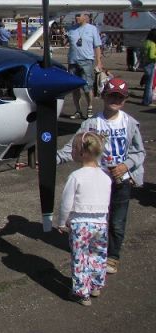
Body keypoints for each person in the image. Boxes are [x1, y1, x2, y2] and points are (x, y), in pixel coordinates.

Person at [57, 78, 145, 275]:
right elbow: (73, 146)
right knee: (99, 219)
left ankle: (113, 256)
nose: (115, 99)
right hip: (98, 182)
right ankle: (96, 252)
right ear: (103, 96)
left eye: (119, 97)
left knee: (117, 221)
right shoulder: (91, 123)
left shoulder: (130, 123)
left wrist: (126, 166)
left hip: (121, 181)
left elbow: (139, 152)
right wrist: (51, 159)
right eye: (111, 95)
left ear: (125, 100)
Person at [57, 131, 111, 306]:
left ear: (82, 152)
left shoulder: (76, 176)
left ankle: (82, 293)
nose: (71, 150)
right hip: (101, 224)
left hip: (80, 224)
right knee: (98, 255)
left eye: (73, 147)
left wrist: (61, 221)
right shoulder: (105, 177)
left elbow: (67, 203)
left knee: (80, 257)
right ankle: (95, 286)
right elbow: (106, 201)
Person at [65, 13, 102, 119]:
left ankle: (90, 107)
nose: (76, 17)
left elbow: (97, 46)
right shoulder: (71, 29)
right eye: (75, 16)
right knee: (75, 88)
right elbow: (66, 43)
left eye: (79, 15)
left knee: (87, 87)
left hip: (87, 61)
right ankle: (78, 110)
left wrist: (98, 61)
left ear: (85, 17)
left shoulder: (92, 29)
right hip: (73, 61)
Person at [141, 28, 156, 106]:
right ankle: (147, 101)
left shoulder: (146, 42)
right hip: (151, 64)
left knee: (147, 84)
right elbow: (152, 55)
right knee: (149, 85)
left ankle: (145, 100)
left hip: (145, 64)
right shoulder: (153, 44)